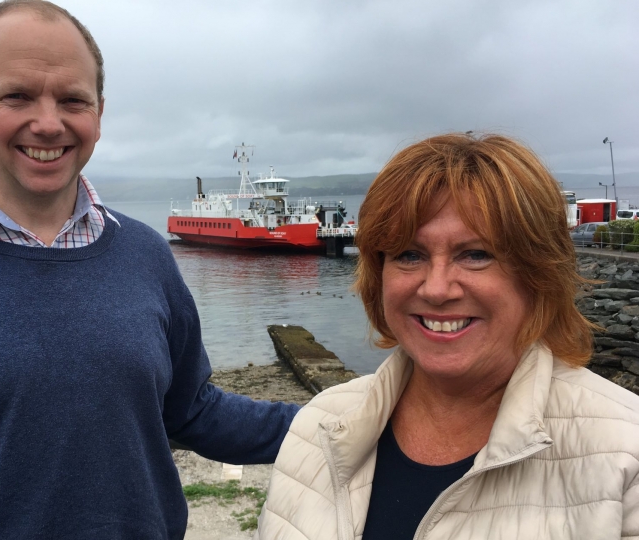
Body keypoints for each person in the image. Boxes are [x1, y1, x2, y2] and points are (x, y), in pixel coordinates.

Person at [0, 1, 299, 538]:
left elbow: (192, 411)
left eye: (73, 100)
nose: (48, 124)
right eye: (17, 96)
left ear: (98, 113)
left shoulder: (146, 257)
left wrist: (340, 423)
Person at [255, 133, 639, 539]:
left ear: (539, 274)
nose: (437, 289)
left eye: (475, 254)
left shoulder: (624, 457)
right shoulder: (318, 425)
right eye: (409, 254)